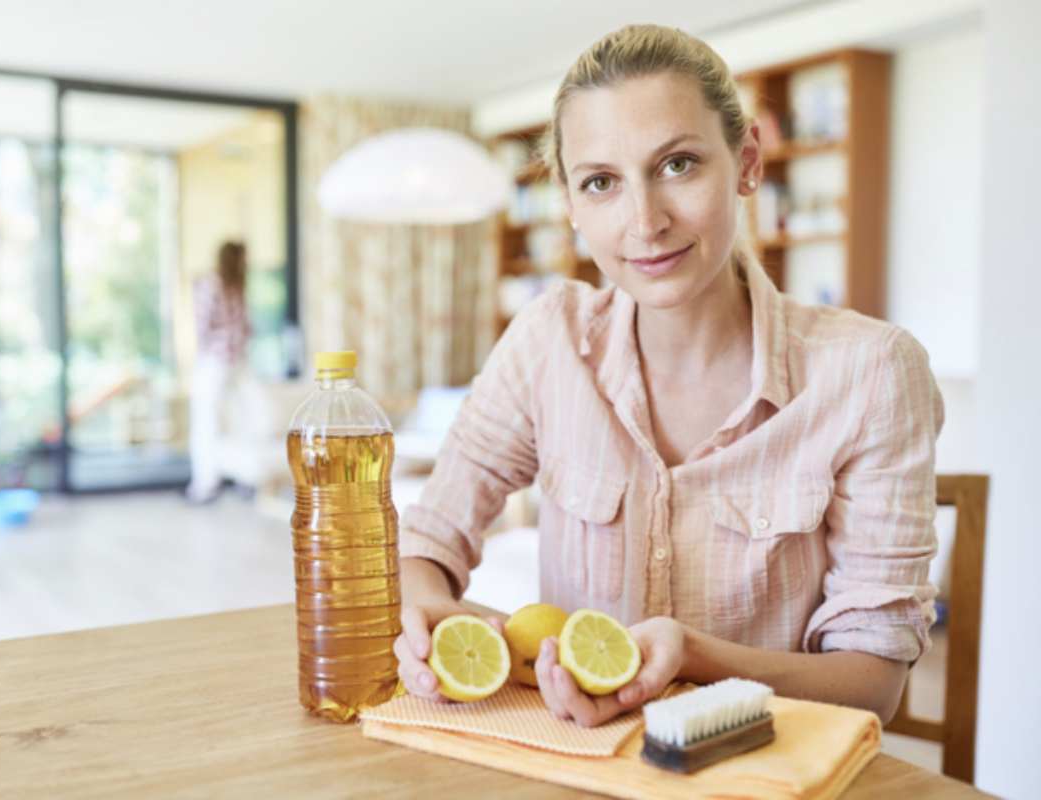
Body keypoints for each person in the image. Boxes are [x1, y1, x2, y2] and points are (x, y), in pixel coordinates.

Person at [394, 24, 942, 728]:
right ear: (568, 202)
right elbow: (430, 538)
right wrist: (426, 601)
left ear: (746, 162)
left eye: (678, 165)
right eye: (600, 183)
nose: (645, 221)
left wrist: (692, 658)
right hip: (579, 764)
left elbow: (874, 684)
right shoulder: (547, 341)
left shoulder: (871, 374)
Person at [186, 241, 251, 503]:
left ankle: (207, 484)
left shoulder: (222, 284)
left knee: (208, 422)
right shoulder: (225, 285)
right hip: (229, 361)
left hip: (218, 362)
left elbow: (203, 327)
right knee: (229, 420)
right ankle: (219, 481)